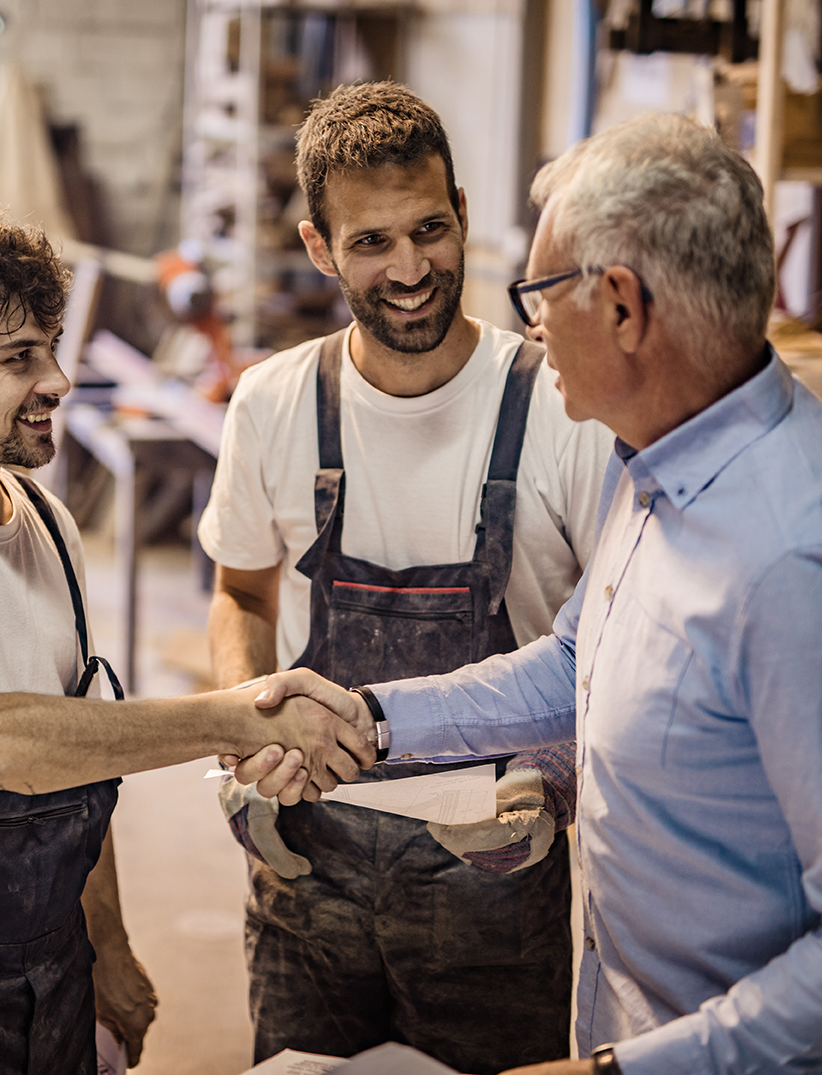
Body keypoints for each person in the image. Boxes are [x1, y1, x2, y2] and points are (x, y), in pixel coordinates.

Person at [253, 111, 822, 1073]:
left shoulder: (787, 558)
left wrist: (616, 1071)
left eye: (542, 290)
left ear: (622, 308)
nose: (525, 321)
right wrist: (369, 716)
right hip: (620, 1013)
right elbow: (572, 662)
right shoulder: (653, 471)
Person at [0, 205, 372, 1075]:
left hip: (54, 974)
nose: (58, 378)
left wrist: (107, 945)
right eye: (19, 357)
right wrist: (234, 718)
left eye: (52, 346)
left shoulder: (45, 520)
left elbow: (73, 755)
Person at [197, 82, 613, 1072]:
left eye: (429, 229)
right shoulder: (272, 403)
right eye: (371, 242)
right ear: (317, 247)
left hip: (496, 876)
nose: (411, 267)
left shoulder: (560, 406)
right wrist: (241, 733)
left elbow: (614, 634)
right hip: (308, 868)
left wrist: (550, 777)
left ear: (464, 214)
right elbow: (241, 592)